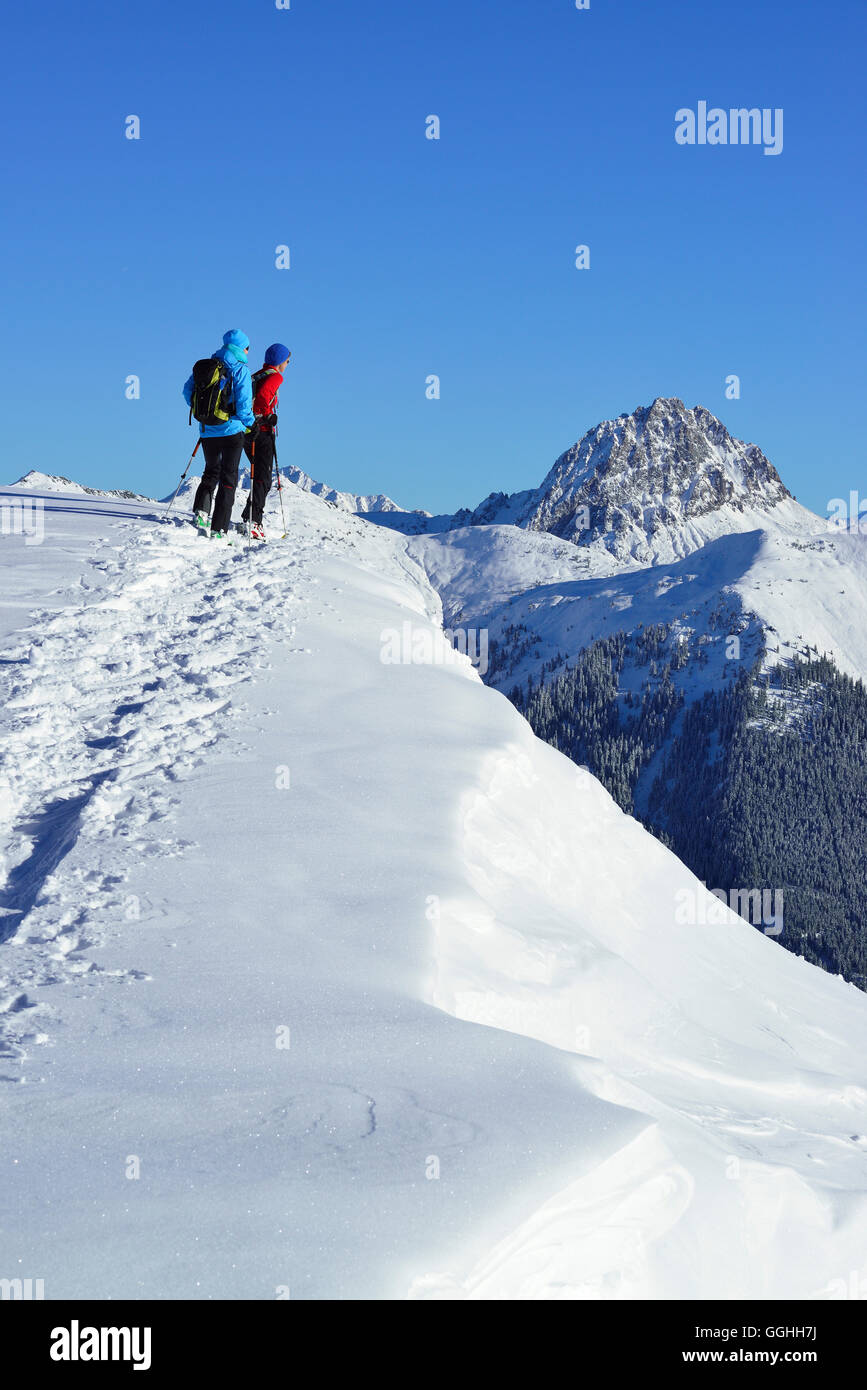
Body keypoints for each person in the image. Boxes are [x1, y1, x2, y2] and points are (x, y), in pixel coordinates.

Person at [183, 329, 257, 537]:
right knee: (228, 478)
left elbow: (187, 392)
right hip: (232, 431)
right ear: (242, 347)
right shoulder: (240, 369)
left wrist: (205, 412)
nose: (248, 351)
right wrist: (252, 424)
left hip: (207, 430)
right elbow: (243, 407)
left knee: (211, 470)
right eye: (247, 347)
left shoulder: (206, 366)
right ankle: (219, 528)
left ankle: (201, 511)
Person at [240, 342, 291, 540]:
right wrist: (267, 415)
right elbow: (263, 396)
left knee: (258, 475)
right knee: (263, 478)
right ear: (279, 361)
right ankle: (254, 522)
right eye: (287, 360)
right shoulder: (276, 376)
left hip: (246, 431)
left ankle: (249, 516)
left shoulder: (255, 375)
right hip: (261, 430)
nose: (287, 364)